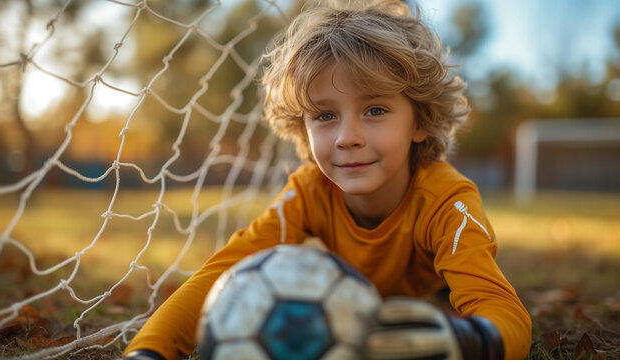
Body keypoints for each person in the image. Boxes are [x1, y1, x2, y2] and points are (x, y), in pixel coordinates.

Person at [121, 0, 531, 359]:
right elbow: (218, 278)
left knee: (453, 292)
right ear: (303, 127)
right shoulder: (308, 192)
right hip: (361, 289)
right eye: (325, 115)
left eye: (374, 110)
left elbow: (502, 310)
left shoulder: (446, 199)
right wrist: (147, 352)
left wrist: (474, 339)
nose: (347, 138)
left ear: (420, 121)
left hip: (427, 290)